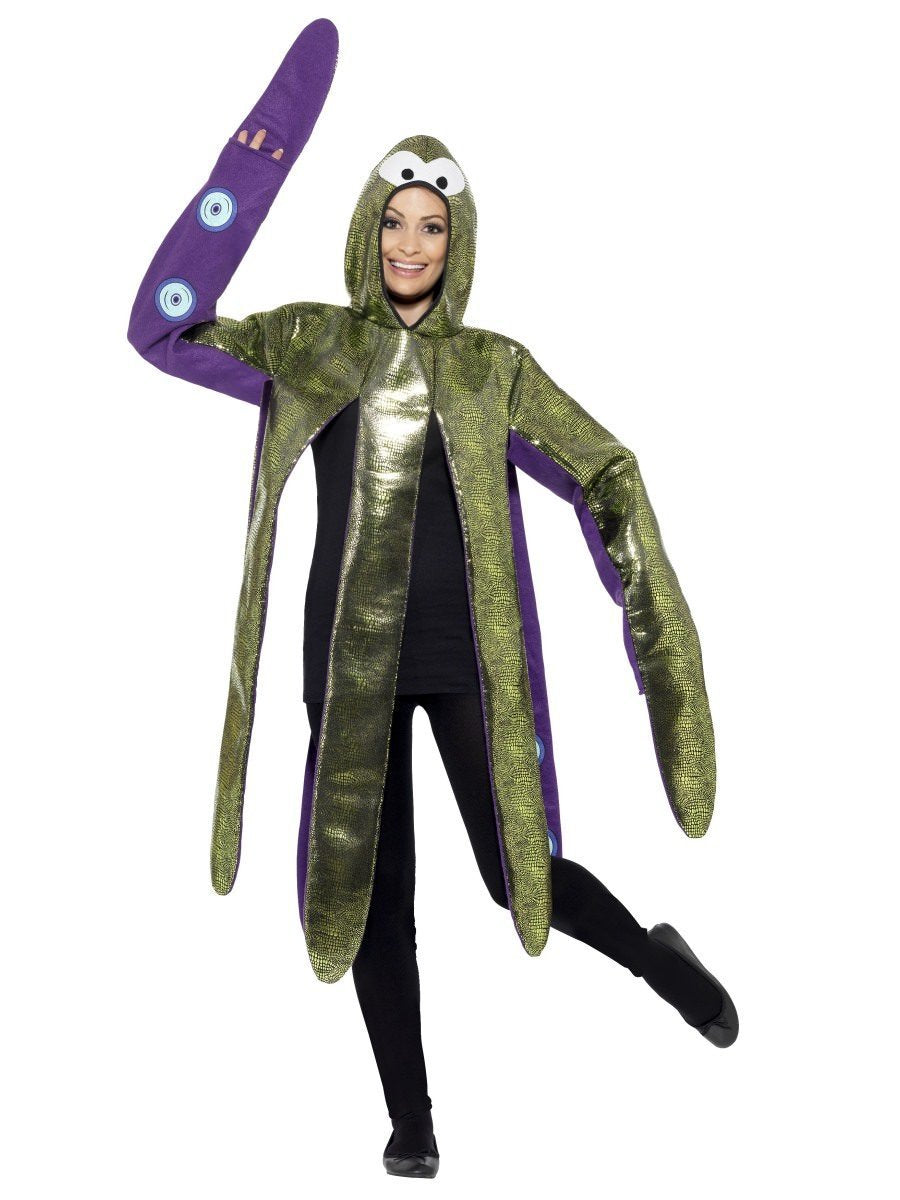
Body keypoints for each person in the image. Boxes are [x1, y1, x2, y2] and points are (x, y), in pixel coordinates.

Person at [128, 21, 739, 1181]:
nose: (410, 244)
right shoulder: (312, 344)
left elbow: (604, 473)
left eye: (433, 226)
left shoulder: (490, 367)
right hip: (347, 661)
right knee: (368, 889)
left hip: (467, 658)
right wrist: (263, 148)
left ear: (458, 244)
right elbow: (161, 323)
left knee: (519, 874)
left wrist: (663, 656)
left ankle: (657, 958)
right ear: (368, 228)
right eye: (395, 221)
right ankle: (410, 1115)